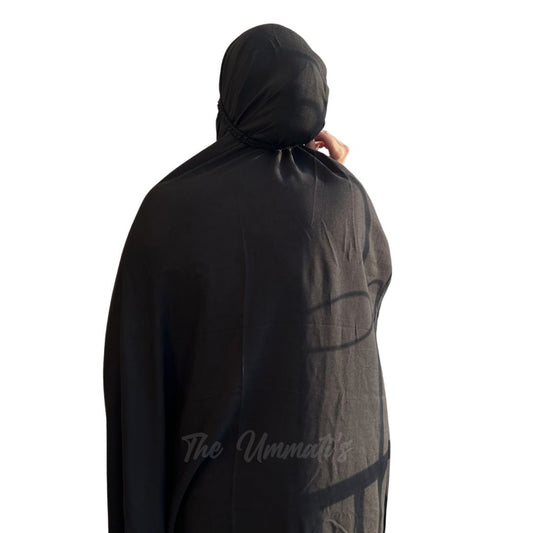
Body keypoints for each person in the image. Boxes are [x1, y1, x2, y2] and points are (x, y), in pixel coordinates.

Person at [103, 22, 392, 533]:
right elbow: (360, 304)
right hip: (326, 499)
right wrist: (341, 177)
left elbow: (139, 365)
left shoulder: (172, 206)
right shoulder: (349, 205)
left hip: (218, 501)